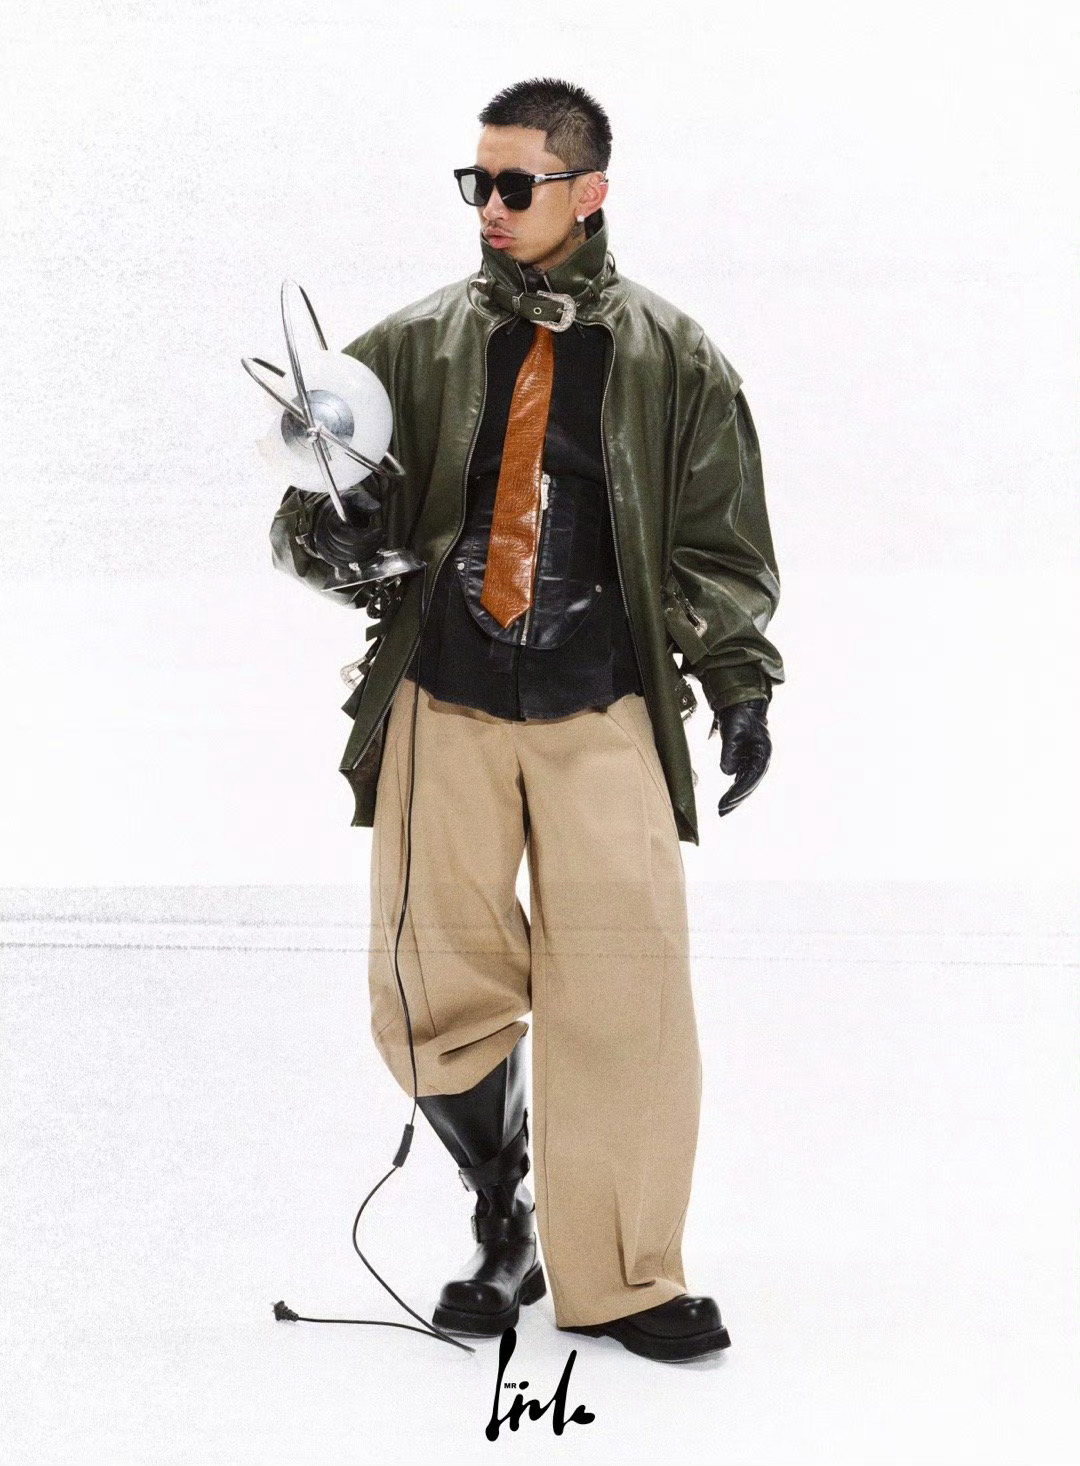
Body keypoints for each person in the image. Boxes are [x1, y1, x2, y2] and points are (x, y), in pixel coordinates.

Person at [269, 76, 784, 1364]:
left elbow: (721, 544)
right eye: (477, 182)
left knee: (625, 988)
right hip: (444, 691)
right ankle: (506, 1215)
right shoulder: (409, 345)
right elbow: (306, 501)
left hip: (600, 702)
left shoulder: (674, 356)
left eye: (516, 184)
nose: (489, 208)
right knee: (427, 981)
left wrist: (739, 686)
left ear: (588, 190)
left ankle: (627, 1275)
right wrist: (338, 540)